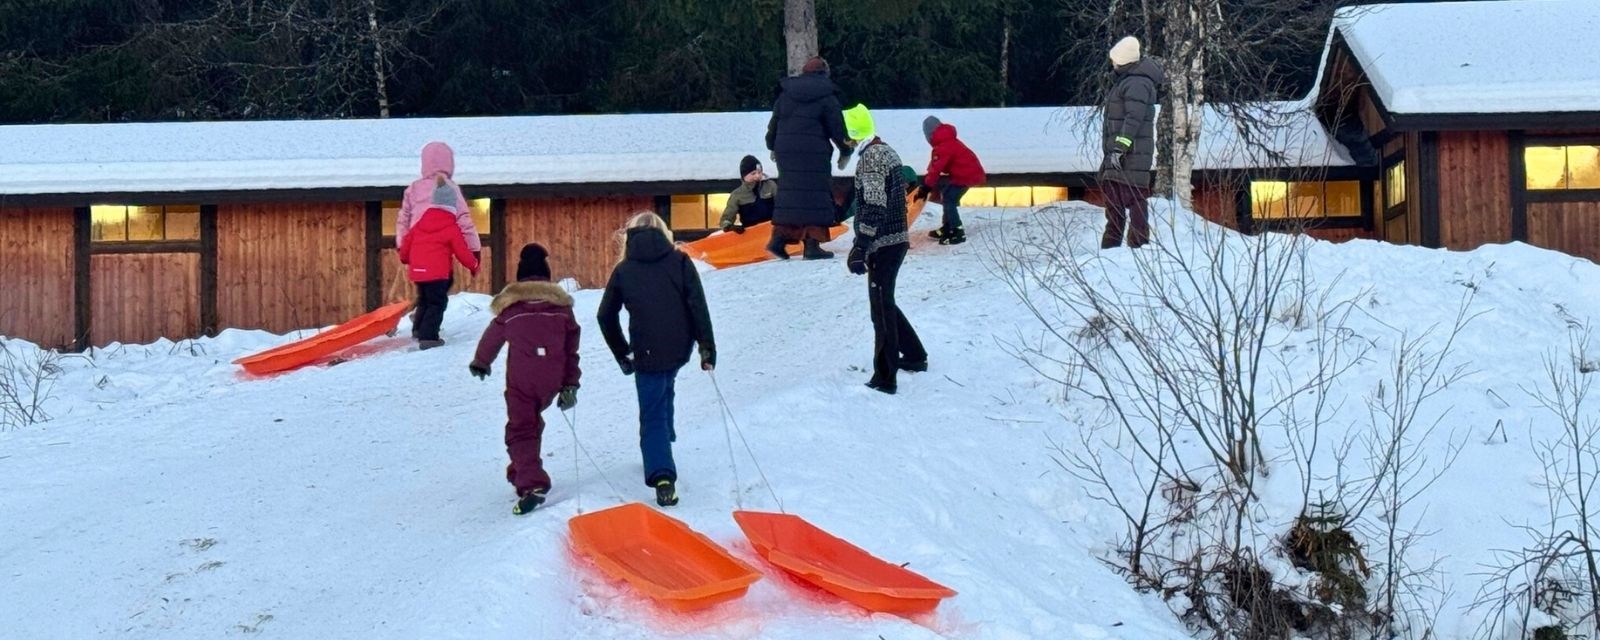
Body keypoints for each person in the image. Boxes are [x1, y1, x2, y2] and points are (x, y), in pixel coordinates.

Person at [596, 212, 716, 507]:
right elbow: (697, 306)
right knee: (665, 389)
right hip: (678, 347)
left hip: (645, 350)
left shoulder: (624, 270)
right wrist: (706, 348)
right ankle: (665, 437)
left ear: (630, 235)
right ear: (663, 232)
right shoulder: (680, 261)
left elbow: (605, 315)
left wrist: (623, 352)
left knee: (652, 413)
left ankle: (662, 475)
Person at [468, 243, 580, 515]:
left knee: (520, 429)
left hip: (521, 378)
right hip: (551, 378)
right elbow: (571, 350)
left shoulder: (512, 310)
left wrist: (481, 363)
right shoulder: (561, 310)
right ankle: (519, 469)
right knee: (531, 424)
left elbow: (492, 338)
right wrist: (569, 384)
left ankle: (532, 484)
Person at [842, 105, 927, 395]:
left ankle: (885, 377)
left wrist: (861, 245)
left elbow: (875, 204)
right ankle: (915, 355)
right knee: (884, 301)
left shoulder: (871, 158)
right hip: (895, 239)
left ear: (852, 135)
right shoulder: (885, 150)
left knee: (880, 309)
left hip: (884, 242)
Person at [765, 56, 854, 260]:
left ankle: (778, 239)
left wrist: (772, 145)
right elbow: (837, 128)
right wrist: (845, 149)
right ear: (824, 73)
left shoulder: (786, 94)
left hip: (786, 151)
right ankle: (812, 245)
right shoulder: (826, 95)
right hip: (814, 152)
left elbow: (774, 123)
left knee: (791, 194)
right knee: (815, 194)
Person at [397, 141, 481, 334]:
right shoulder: (450, 188)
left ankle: (420, 324)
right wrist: (474, 252)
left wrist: (402, 248)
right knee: (439, 291)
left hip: (417, 248)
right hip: (440, 248)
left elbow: (403, 219)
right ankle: (428, 332)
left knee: (426, 290)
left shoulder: (413, 188)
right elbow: (464, 221)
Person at [1099, 36, 1165, 249]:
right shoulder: (1131, 81)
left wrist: (1120, 148)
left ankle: (1135, 246)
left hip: (1130, 156)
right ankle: (1116, 249)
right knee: (1118, 200)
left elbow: (1133, 119)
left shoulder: (1136, 83)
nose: (1113, 63)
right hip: (1124, 156)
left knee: (1131, 199)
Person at [920, 116, 987, 245]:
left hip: (966, 176)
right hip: (966, 174)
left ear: (930, 134)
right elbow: (935, 164)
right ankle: (948, 226)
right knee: (947, 194)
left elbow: (936, 168)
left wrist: (927, 186)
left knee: (949, 199)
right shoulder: (947, 141)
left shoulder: (944, 146)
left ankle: (957, 231)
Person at [718, 155, 777, 233]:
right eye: (753, 173)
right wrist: (729, 227)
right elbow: (726, 218)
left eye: (759, 172)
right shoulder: (737, 195)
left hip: (772, 231)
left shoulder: (770, 186)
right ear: (744, 175)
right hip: (750, 236)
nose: (757, 176)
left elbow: (783, 206)